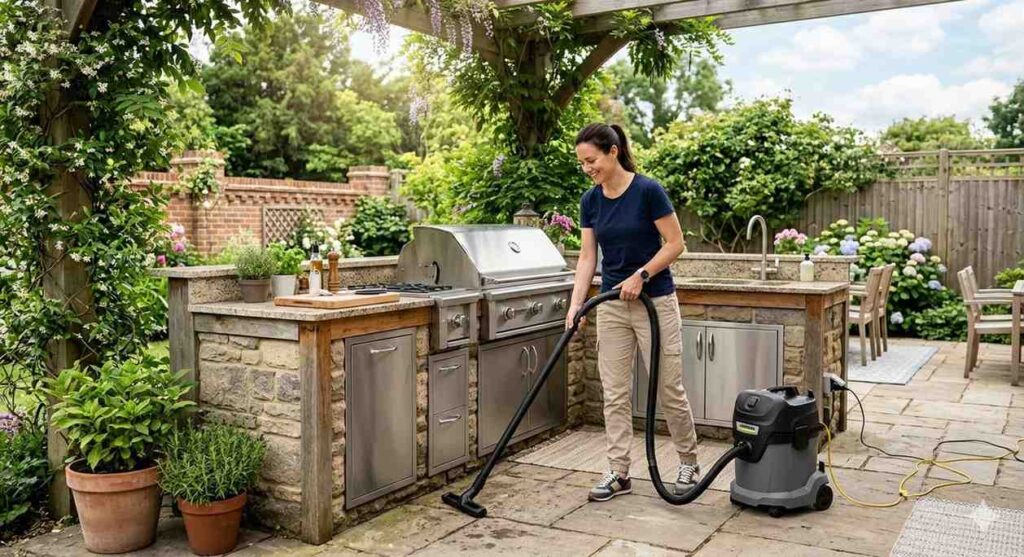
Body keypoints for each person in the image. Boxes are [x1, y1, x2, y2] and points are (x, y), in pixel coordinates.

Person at [566, 123, 700, 502]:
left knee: (669, 387)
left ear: (612, 152)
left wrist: (641, 275)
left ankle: (688, 461)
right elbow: (588, 257)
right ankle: (619, 472)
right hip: (611, 305)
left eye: (591, 160)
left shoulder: (647, 191)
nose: (587, 168)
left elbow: (676, 244)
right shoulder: (591, 200)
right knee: (615, 392)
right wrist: (577, 304)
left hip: (655, 303)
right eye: (582, 163)